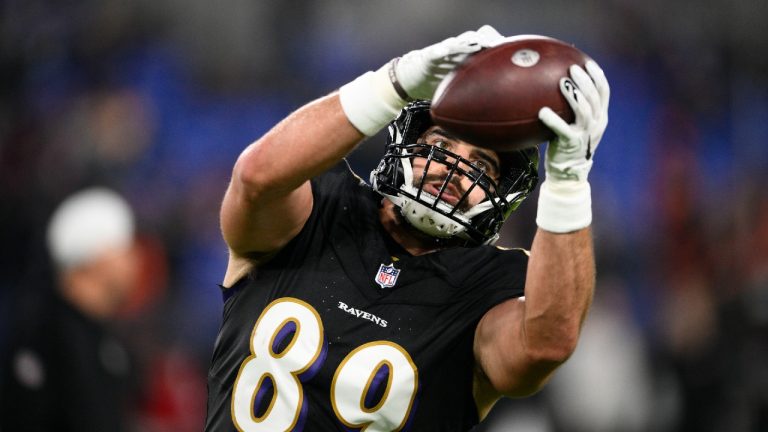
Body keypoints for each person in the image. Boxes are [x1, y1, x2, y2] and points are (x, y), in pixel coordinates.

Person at [205, 25, 609, 431]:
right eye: (439, 146)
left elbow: (546, 345)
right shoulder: (323, 204)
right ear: (404, 143)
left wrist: (569, 180)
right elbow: (257, 180)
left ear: (500, 195)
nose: (454, 170)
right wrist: (395, 81)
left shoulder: (491, 285)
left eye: (482, 165)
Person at [0, 187, 139, 431]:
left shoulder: (106, 342)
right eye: (124, 249)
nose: (134, 260)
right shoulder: (44, 334)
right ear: (98, 255)